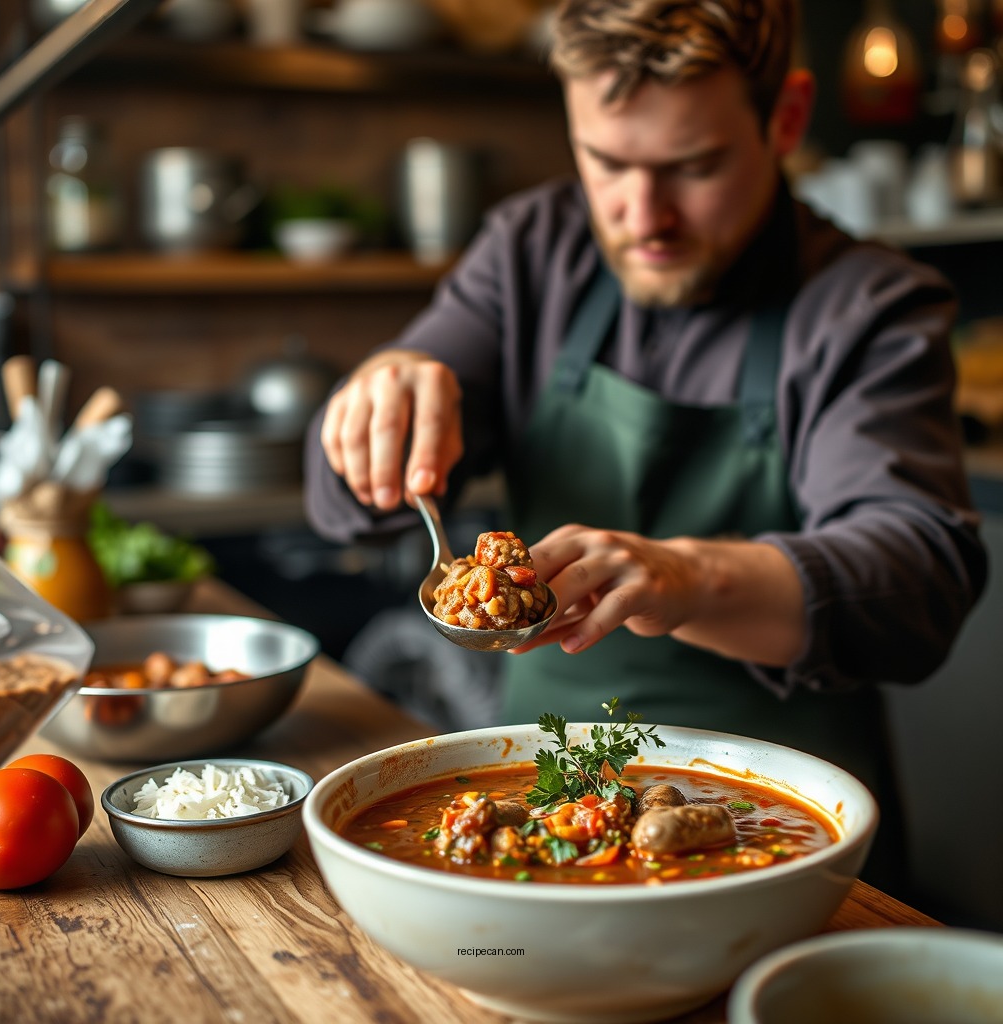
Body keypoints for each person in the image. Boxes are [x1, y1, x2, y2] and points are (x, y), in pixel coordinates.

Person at [304, 0, 988, 897]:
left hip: (778, 843)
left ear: (785, 118)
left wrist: (688, 576)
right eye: (607, 162)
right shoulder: (532, 252)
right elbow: (339, 503)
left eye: (693, 167)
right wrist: (378, 400)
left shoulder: (870, 306)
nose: (644, 215)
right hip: (539, 815)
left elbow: (921, 576)